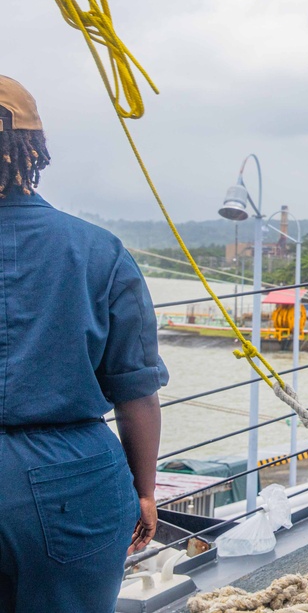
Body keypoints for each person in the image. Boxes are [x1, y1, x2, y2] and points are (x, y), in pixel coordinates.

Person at [0, 76, 167, 613]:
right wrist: (144, 490)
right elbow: (135, 389)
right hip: (72, 483)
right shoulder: (100, 250)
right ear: (32, 150)